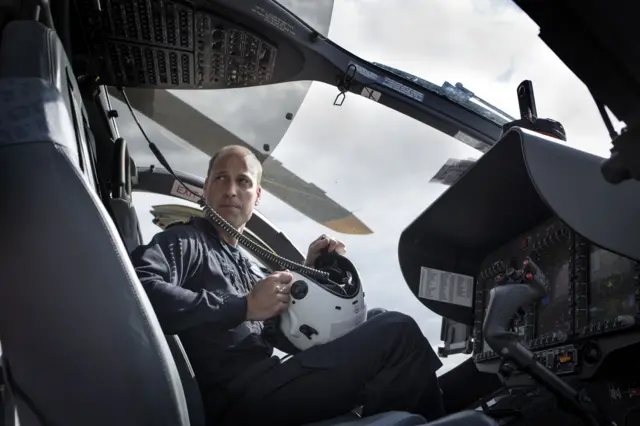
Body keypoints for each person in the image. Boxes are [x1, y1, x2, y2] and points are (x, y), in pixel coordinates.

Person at [130, 145, 445, 426]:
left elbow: (288, 334)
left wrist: (311, 272)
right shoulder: (183, 241)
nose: (231, 190)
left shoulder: (246, 264)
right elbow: (138, 291)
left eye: (243, 182)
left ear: (257, 196)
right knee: (396, 331)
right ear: (206, 187)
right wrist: (243, 307)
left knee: (377, 318)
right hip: (239, 402)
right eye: (221, 178)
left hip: (268, 386)